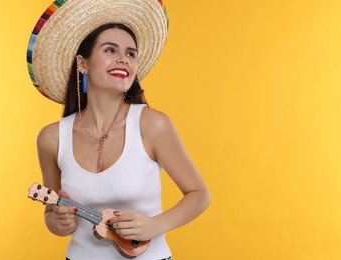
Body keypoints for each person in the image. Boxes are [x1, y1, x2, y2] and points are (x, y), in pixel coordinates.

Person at [27, 0, 210, 259]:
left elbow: (199, 194)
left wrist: (155, 224)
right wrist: (56, 222)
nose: (123, 59)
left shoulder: (152, 125)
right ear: (82, 63)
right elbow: (51, 212)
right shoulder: (51, 138)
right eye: (110, 50)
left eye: (131, 53)